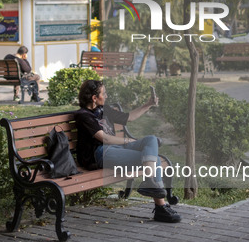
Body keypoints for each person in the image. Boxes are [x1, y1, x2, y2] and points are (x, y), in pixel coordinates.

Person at [75, 80, 181, 223]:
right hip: (101, 154)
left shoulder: (104, 110)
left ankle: (150, 183)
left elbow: (129, 117)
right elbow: (104, 138)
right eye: (104, 93)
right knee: (154, 160)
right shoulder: (83, 116)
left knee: (151, 139)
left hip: (116, 148)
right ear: (94, 98)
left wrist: (148, 104)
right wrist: (127, 141)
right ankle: (160, 207)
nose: (106, 96)